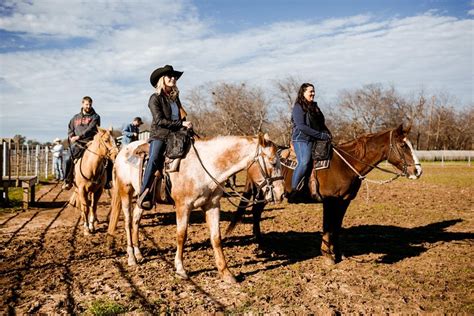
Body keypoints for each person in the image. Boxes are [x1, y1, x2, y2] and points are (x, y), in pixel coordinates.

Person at [137, 65, 192, 210]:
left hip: (177, 134)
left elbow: (182, 115)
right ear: (162, 80)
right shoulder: (155, 98)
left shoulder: (175, 98)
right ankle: (144, 193)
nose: (173, 78)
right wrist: (181, 123)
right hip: (160, 135)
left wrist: (187, 125)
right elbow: (159, 120)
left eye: (174, 76)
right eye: (169, 76)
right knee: (154, 158)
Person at [288, 83, 331, 203]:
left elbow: (321, 123)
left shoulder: (314, 106)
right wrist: (320, 135)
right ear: (303, 93)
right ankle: (293, 191)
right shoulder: (298, 107)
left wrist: (327, 134)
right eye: (310, 91)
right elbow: (302, 126)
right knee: (304, 162)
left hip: (315, 138)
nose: (312, 93)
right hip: (301, 139)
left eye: (313, 91)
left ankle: (315, 189)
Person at [62, 96, 112, 190]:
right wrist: (71, 136)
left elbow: (91, 129)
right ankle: (67, 180)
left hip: (91, 142)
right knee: (67, 158)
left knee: (107, 158)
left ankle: (107, 181)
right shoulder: (75, 117)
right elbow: (70, 128)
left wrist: (79, 136)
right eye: (86, 104)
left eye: (90, 104)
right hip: (77, 143)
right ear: (82, 104)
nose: (88, 106)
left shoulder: (95, 117)